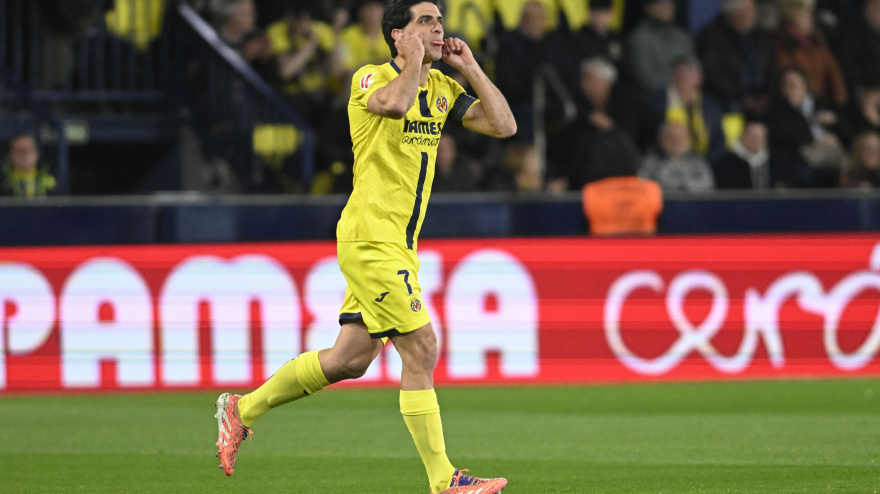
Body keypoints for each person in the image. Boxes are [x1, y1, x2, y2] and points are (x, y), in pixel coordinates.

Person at [213, 2, 516, 494]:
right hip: (371, 238)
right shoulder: (369, 79)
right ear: (397, 36)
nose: (438, 29)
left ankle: (240, 408)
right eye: (425, 22)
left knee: (350, 359)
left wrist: (470, 68)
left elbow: (504, 126)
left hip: (398, 243)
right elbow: (395, 105)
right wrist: (417, 60)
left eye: (440, 22)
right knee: (422, 348)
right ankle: (445, 481)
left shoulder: (442, 89)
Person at [696, 0, 777, 116]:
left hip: (764, 99)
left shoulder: (761, 35)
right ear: (734, 13)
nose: (754, 14)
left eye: (753, 9)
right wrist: (742, 98)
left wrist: (768, 96)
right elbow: (712, 75)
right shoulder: (711, 37)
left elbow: (772, 68)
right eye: (748, 10)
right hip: (729, 100)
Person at [772, 0, 848, 106]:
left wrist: (839, 101)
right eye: (804, 17)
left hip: (822, 102)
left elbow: (834, 73)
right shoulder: (782, 46)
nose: (810, 20)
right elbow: (789, 78)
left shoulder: (818, 43)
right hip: (797, 103)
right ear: (792, 21)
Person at [626, 0, 694, 92]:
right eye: (661, 3)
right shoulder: (639, 39)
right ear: (648, 8)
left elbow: (695, 67)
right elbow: (647, 79)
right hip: (658, 96)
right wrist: (678, 80)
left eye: (670, 2)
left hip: (688, 93)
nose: (667, 7)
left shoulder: (682, 36)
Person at [638, 120, 715, 192]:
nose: (676, 141)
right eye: (671, 137)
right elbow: (644, 189)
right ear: (660, 138)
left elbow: (708, 187)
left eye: (681, 137)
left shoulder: (699, 163)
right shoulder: (649, 164)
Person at [712, 120, 771, 189]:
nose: (757, 142)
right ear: (744, 136)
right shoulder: (727, 163)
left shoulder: (773, 163)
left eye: (760, 138)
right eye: (754, 137)